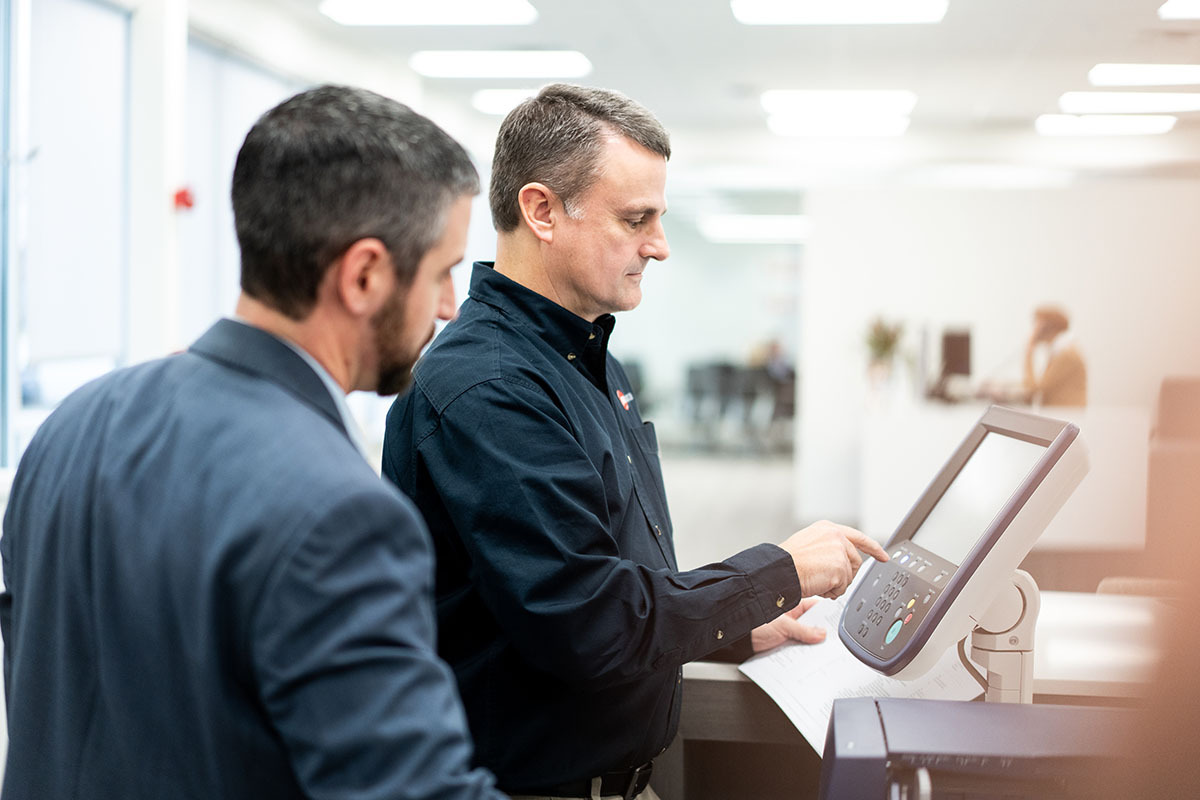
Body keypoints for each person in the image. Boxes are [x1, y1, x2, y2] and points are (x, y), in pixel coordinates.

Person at [381, 83, 886, 800]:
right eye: (636, 218)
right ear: (541, 210)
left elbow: (608, 570)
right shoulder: (490, 388)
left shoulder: (584, 357)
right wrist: (777, 574)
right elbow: (587, 620)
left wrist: (738, 627)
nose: (660, 245)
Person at [1, 85, 505, 800]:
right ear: (363, 275)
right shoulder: (341, 512)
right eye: (444, 271)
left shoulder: (71, 428)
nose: (452, 306)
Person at [1023, 305, 1087, 406]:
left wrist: (1029, 350)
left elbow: (1035, 390)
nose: (1034, 329)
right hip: (1062, 414)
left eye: (1036, 324)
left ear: (1046, 327)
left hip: (1066, 415)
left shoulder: (1066, 355)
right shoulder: (1059, 352)